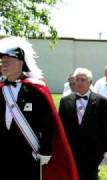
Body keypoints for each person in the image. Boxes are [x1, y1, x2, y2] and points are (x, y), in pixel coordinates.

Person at [0, 36, 78, 180]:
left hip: (29, 151)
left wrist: (46, 150)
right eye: (2, 62)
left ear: (20, 64)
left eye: (8, 61)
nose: (3, 65)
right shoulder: (1, 89)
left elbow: (48, 123)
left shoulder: (36, 89)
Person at [59, 68, 107, 180]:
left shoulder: (101, 101)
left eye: (83, 79)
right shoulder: (65, 101)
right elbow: (61, 127)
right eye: (77, 80)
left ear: (90, 82)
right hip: (72, 149)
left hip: (93, 150)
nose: (79, 82)